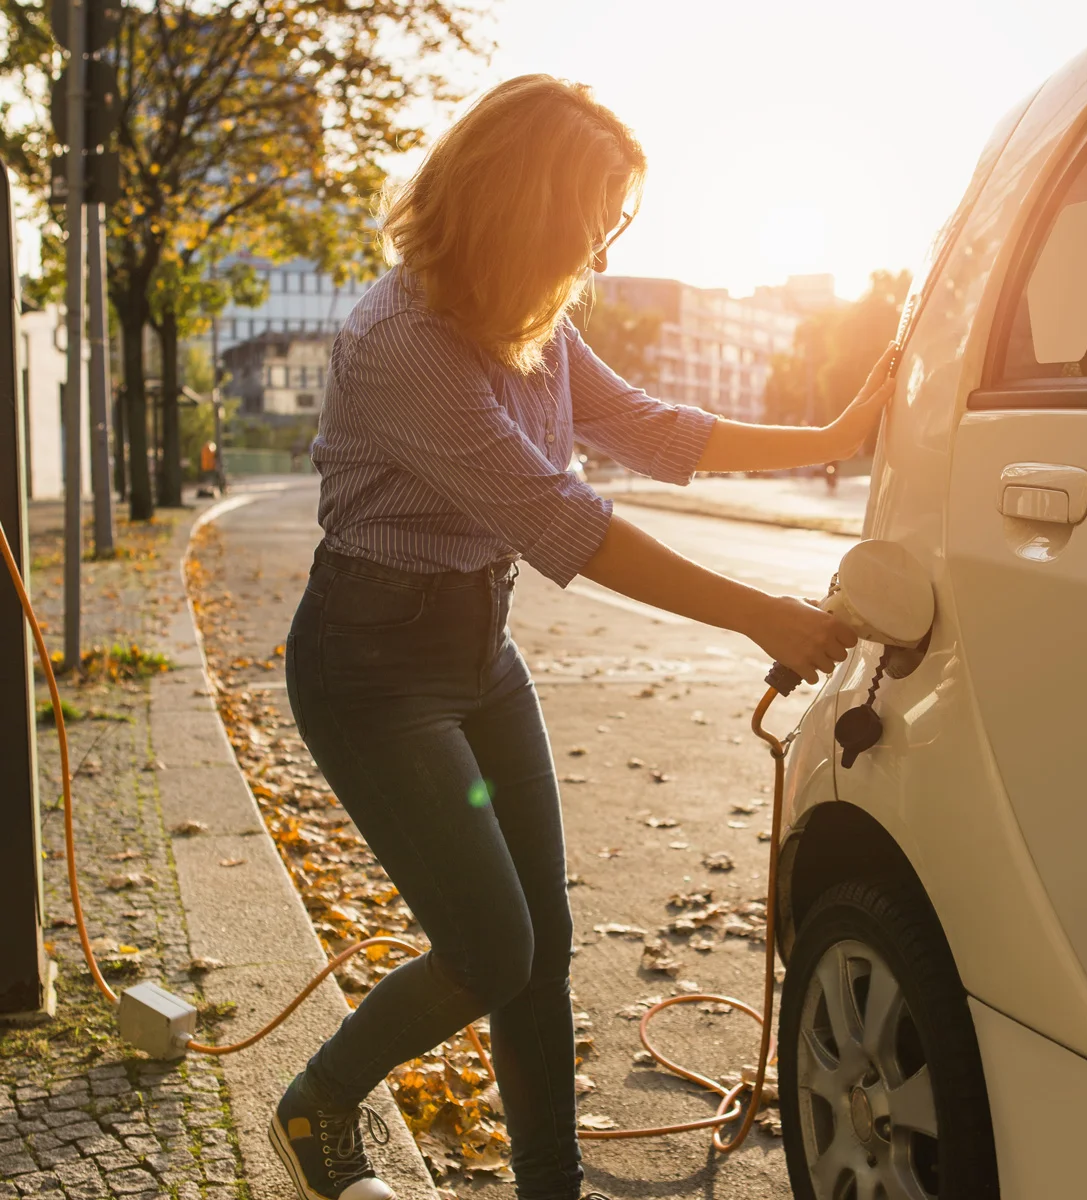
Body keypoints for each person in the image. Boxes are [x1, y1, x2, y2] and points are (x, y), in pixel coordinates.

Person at [275, 75, 895, 1200]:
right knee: (488, 951)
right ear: (523, 207)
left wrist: (839, 430)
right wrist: (766, 614)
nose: (602, 256)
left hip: (478, 654)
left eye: (618, 226)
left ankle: (549, 1188)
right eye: (592, 221)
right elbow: (574, 525)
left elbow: (652, 429)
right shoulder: (404, 341)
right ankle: (318, 1102)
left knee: (542, 950)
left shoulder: (528, 319)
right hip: (372, 669)